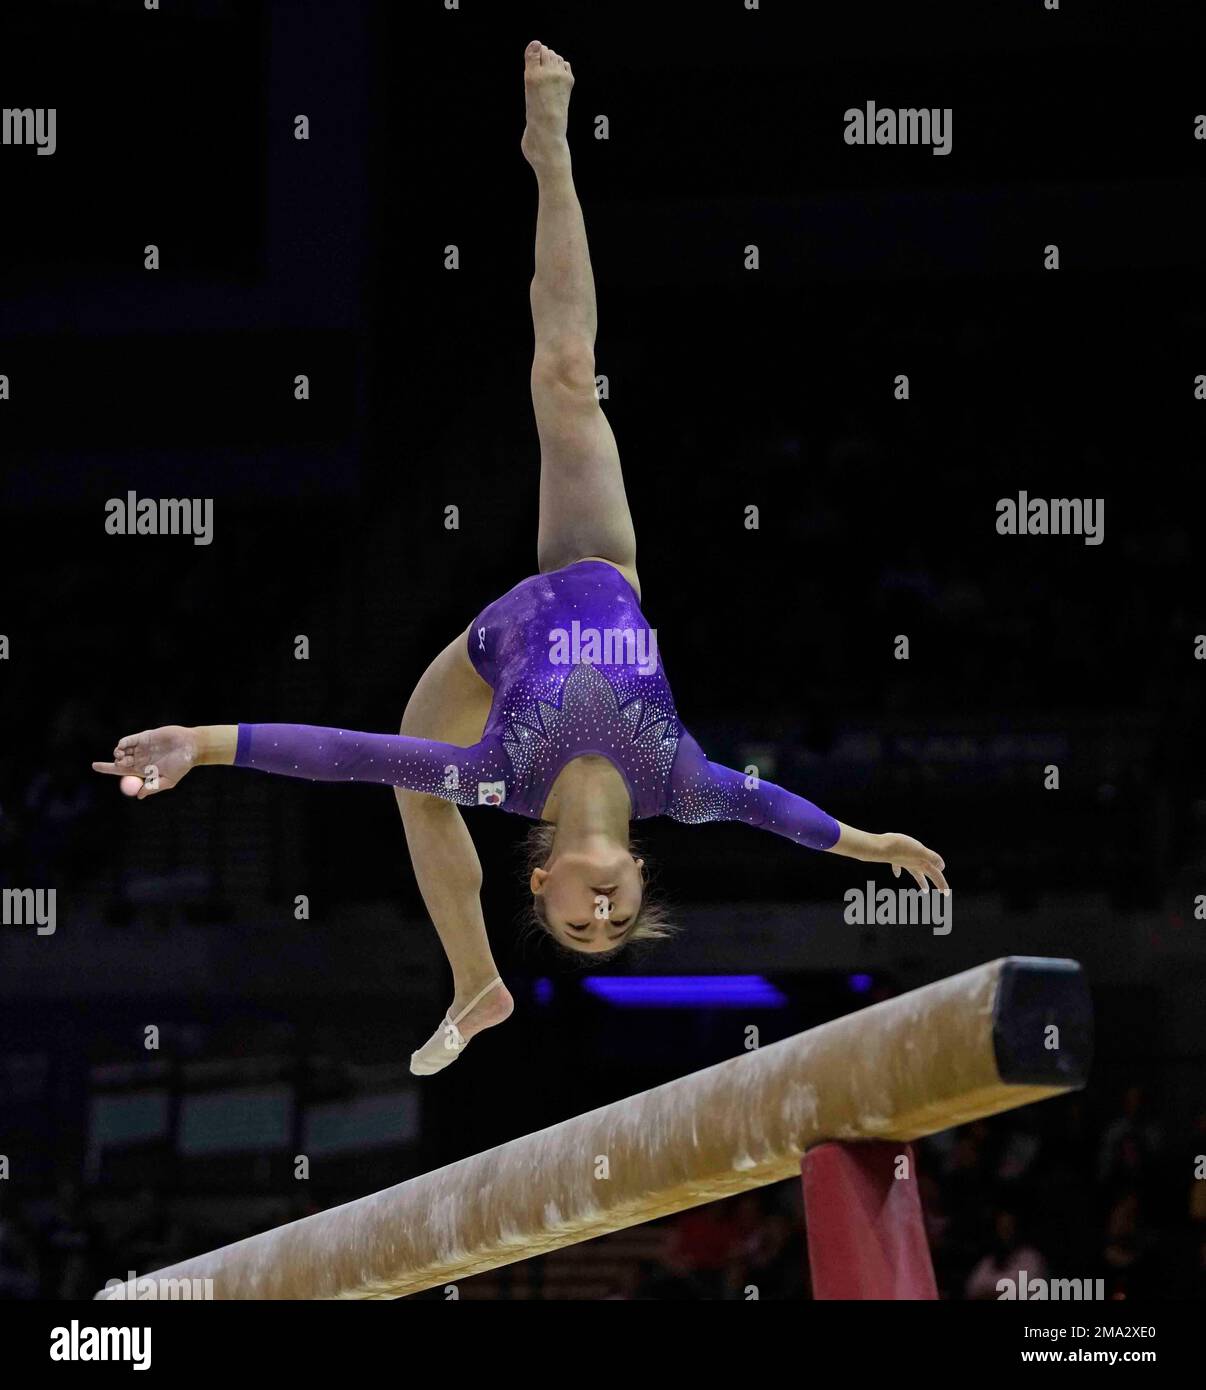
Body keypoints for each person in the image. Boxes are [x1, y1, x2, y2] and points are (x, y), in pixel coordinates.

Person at [93, 42, 947, 1076]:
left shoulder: (502, 777)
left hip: (489, 649)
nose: (598, 917)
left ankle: (473, 976)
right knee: (565, 372)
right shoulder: (681, 781)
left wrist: (202, 738)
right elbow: (787, 815)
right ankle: (552, 151)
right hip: (600, 562)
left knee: (414, 770)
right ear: (637, 871)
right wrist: (874, 845)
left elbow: (339, 754)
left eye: (579, 928)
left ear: (539, 883)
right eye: (617, 921)